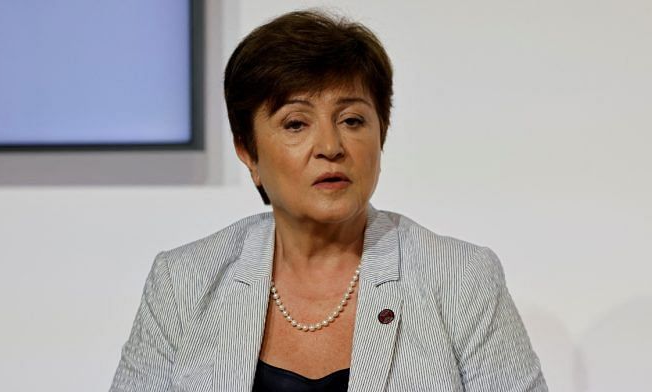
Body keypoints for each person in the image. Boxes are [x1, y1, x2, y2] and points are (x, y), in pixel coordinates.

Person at [110, 10, 547, 392]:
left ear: (381, 135)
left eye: (352, 119)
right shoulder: (183, 283)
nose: (331, 146)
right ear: (248, 151)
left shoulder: (461, 280)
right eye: (296, 123)